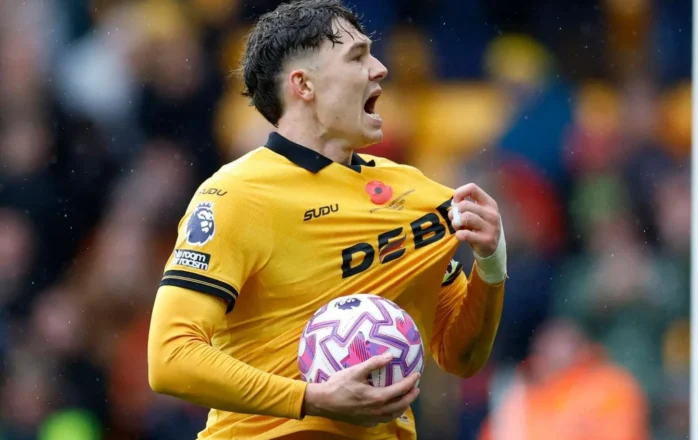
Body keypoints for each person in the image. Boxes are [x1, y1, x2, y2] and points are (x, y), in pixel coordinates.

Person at [146, 1, 507, 439]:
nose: (380, 69)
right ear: (304, 84)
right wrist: (311, 399)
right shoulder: (236, 196)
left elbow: (459, 356)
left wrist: (490, 264)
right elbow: (170, 358)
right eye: (357, 56)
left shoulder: (419, 196)